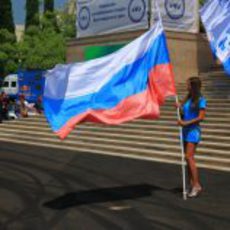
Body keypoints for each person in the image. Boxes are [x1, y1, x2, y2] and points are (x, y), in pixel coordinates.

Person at [177, 77, 207, 198]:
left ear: (193, 86)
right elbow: (184, 114)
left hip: (193, 131)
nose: (186, 86)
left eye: (188, 84)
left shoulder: (201, 99)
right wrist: (179, 108)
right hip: (185, 130)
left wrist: (186, 123)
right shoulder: (187, 98)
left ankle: (196, 184)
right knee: (187, 158)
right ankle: (191, 183)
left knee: (189, 157)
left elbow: (201, 117)